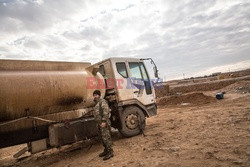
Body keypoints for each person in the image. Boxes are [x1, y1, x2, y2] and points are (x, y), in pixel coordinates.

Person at [93, 90, 114, 160]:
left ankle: (110, 152)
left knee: (106, 137)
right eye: (94, 95)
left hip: (103, 122)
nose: (94, 96)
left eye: (96, 95)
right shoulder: (97, 103)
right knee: (102, 138)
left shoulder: (102, 102)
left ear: (99, 95)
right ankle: (106, 150)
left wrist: (104, 121)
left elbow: (106, 111)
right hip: (99, 123)